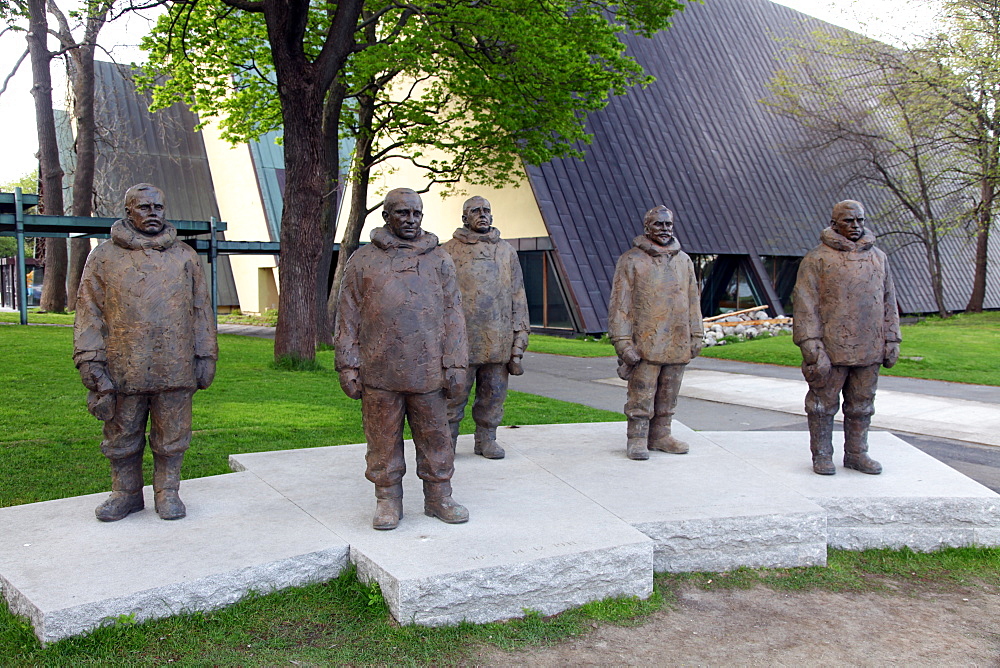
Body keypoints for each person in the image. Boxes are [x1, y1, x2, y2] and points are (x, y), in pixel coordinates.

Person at [74, 183, 217, 521]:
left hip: (175, 364)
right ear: (129, 212)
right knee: (122, 436)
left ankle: (168, 492)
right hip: (123, 367)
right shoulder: (104, 257)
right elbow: (88, 312)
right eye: (144, 207)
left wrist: (205, 354)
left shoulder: (185, 256)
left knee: (172, 436)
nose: (153, 213)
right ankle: (125, 493)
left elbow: (201, 310)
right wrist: (90, 359)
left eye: (158, 207)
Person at [335, 187, 469, 530]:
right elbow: (347, 316)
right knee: (382, 437)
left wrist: (456, 362)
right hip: (379, 370)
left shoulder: (439, 259)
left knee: (435, 435)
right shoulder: (363, 260)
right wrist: (348, 364)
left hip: (429, 371)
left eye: (416, 214)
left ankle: (439, 495)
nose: (411, 220)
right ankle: (387, 499)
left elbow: (454, 313)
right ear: (387, 216)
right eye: (402, 213)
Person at [793, 200, 901, 476]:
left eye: (860, 220)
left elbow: (889, 301)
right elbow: (805, 304)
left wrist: (892, 339)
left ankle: (856, 453)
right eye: (848, 221)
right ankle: (822, 454)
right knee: (821, 405)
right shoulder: (816, 259)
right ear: (834, 224)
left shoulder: (879, 257)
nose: (855, 226)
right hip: (830, 348)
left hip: (869, 346)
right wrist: (810, 344)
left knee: (863, 404)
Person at [608, 205, 703, 461]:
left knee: (668, 394)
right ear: (647, 227)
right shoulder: (631, 260)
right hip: (644, 343)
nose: (664, 229)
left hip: (677, 340)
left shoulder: (684, 261)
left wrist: (697, 334)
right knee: (641, 393)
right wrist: (622, 341)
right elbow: (620, 304)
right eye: (659, 224)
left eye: (668, 225)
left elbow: (693, 300)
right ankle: (637, 438)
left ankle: (661, 435)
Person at [442, 196, 529, 459]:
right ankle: (446, 442)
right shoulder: (448, 251)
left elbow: (518, 294)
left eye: (487, 211)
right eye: (476, 211)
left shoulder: (506, 251)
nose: (483, 215)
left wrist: (520, 334)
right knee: (452, 396)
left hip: (498, 340)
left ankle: (486, 438)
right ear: (464, 218)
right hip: (461, 342)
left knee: (493, 395)